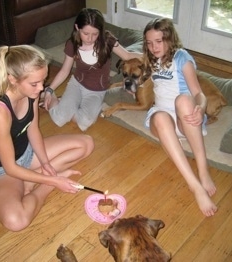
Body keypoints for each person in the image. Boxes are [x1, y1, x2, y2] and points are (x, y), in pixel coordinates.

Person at [0, 45, 94, 231]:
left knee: (86, 143)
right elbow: (10, 167)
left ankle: (31, 180)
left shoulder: (30, 92)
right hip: (2, 170)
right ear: (13, 79)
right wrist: (54, 181)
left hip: (27, 154)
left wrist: (46, 163)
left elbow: (33, 130)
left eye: (43, 81)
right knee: (16, 221)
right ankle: (41, 186)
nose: (41, 88)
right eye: (35, 83)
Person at [142, 18, 217, 217]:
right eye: (149, 43)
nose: (153, 47)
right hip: (164, 121)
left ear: (169, 39)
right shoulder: (150, 58)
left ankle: (203, 170)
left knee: (184, 100)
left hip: (187, 120)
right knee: (158, 117)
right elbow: (127, 55)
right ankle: (195, 186)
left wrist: (200, 108)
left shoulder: (181, 57)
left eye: (158, 41)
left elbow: (198, 93)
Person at [42, 8, 142, 131]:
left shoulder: (107, 39)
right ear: (77, 28)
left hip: (97, 91)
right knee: (60, 118)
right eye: (86, 34)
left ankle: (68, 104)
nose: (90, 38)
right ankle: (56, 100)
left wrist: (153, 58)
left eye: (95, 34)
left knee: (85, 122)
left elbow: (127, 55)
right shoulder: (72, 44)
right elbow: (64, 70)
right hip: (77, 85)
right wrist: (50, 90)